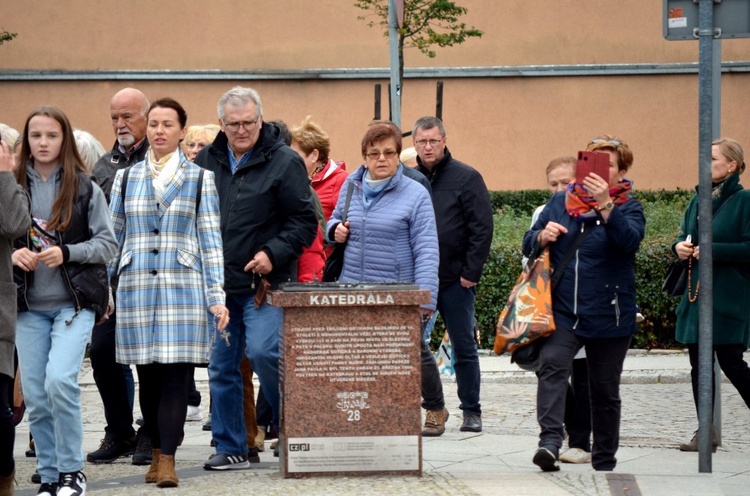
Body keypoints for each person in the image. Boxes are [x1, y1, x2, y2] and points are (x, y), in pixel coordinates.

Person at [108, 98, 229, 488]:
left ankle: (169, 461)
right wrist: (104, 293)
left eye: (167, 125)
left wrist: (216, 294)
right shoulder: (125, 179)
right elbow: (113, 239)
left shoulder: (199, 179)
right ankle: (156, 451)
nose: (160, 131)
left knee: (177, 375)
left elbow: (210, 241)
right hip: (136, 285)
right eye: (154, 124)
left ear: (181, 131)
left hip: (184, 286)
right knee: (148, 376)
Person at [195, 86, 317, 469]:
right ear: (222, 124)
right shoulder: (204, 161)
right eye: (234, 124)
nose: (242, 129)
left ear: (260, 120)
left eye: (249, 122)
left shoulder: (284, 162)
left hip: (264, 286)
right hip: (219, 285)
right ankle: (232, 446)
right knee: (222, 367)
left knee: (265, 352)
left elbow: (304, 222)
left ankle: (297, 427)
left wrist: (271, 254)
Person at [12, 106, 118, 496]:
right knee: (37, 394)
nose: (43, 142)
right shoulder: (10, 186)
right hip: (27, 307)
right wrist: (10, 255)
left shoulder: (85, 187)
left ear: (65, 139)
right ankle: (50, 472)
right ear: (27, 141)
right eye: (36, 135)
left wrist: (69, 252)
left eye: (51, 135)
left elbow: (108, 244)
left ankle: (73, 471)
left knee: (60, 381)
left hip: (74, 304)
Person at [523, 135, 645, 472]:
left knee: (604, 390)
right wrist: (540, 236)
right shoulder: (562, 202)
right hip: (563, 311)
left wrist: (606, 204)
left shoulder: (628, 207)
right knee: (552, 367)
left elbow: (628, 243)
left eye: (608, 166)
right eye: (591, 164)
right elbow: (528, 243)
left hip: (610, 314)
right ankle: (549, 442)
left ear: (621, 173)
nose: (596, 172)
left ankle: (604, 458)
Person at [327, 121, 446, 436]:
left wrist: (426, 299)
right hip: (352, 288)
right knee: (359, 355)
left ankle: (435, 406)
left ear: (398, 156)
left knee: (412, 351)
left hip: (398, 290)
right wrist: (334, 230)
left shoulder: (415, 194)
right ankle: (369, 417)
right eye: (373, 153)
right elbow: (334, 220)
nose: (382, 159)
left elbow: (427, 250)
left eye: (389, 153)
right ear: (364, 157)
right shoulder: (350, 186)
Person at [413, 116, 493, 433]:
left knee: (463, 347)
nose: (428, 146)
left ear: (444, 139)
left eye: (434, 140)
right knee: (414, 347)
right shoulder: (410, 179)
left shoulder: (467, 177)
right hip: (421, 281)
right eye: (422, 141)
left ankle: (471, 411)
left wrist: (470, 273)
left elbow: (482, 228)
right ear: (414, 144)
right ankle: (435, 408)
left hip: (456, 280)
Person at [673, 137, 750, 452]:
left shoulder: (745, 201)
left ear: (731, 165)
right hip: (696, 295)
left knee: (731, 361)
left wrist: (711, 250)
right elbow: (683, 234)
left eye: (712, 159)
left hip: (727, 296)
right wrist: (679, 246)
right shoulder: (697, 200)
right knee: (699, 365)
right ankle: (707, 431)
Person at [89, 87, 152, 466]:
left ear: (145, 115)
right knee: (101, 352)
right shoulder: (104, 165)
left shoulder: (160, 159)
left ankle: (150, 434)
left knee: (149, 360)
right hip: (110, 280)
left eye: (127, 116)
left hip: (149, 276)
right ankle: (120, 431)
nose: (120, 124)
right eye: (114, 117)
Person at [0, 138, 31, 496]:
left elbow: (14, 225)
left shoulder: (9, 188)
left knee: (0, 411)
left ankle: (4, 474)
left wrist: (5, 176)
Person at [290, 115, 348, 278]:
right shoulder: (296, 180)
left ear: (314, 155)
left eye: (295, 155)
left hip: (325, 269)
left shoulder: (340, 180)